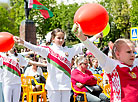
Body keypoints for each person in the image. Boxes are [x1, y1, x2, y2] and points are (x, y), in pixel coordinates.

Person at [14, 28, 102, 102]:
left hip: (66, 86)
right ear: (53, 38)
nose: (61, 40)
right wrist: (22, 42)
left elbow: (83, 44)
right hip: (53, 86)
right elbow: (35, 47)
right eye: (58, 38)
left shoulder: (69, 50)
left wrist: (96, 37)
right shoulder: (48, 50)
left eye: (62, 38)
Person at [75, 24, 138, 102]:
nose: (132, 55)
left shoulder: (135, 64)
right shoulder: (112, 65)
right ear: (118, 54)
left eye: (133, 52)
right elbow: (96, 52)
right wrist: (82, 38)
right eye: (128, 52)